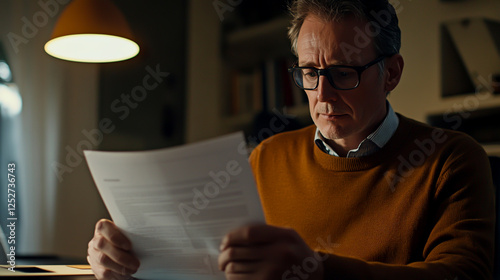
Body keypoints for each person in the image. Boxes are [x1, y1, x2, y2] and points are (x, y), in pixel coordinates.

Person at [87, 0, 495, 279]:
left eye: (343, 72)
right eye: (309, 72)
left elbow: (460, 275)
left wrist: (318, 271)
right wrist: (128, 260)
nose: (323, 94)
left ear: (391, 73)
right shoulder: (268, 157)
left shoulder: (451, 158)